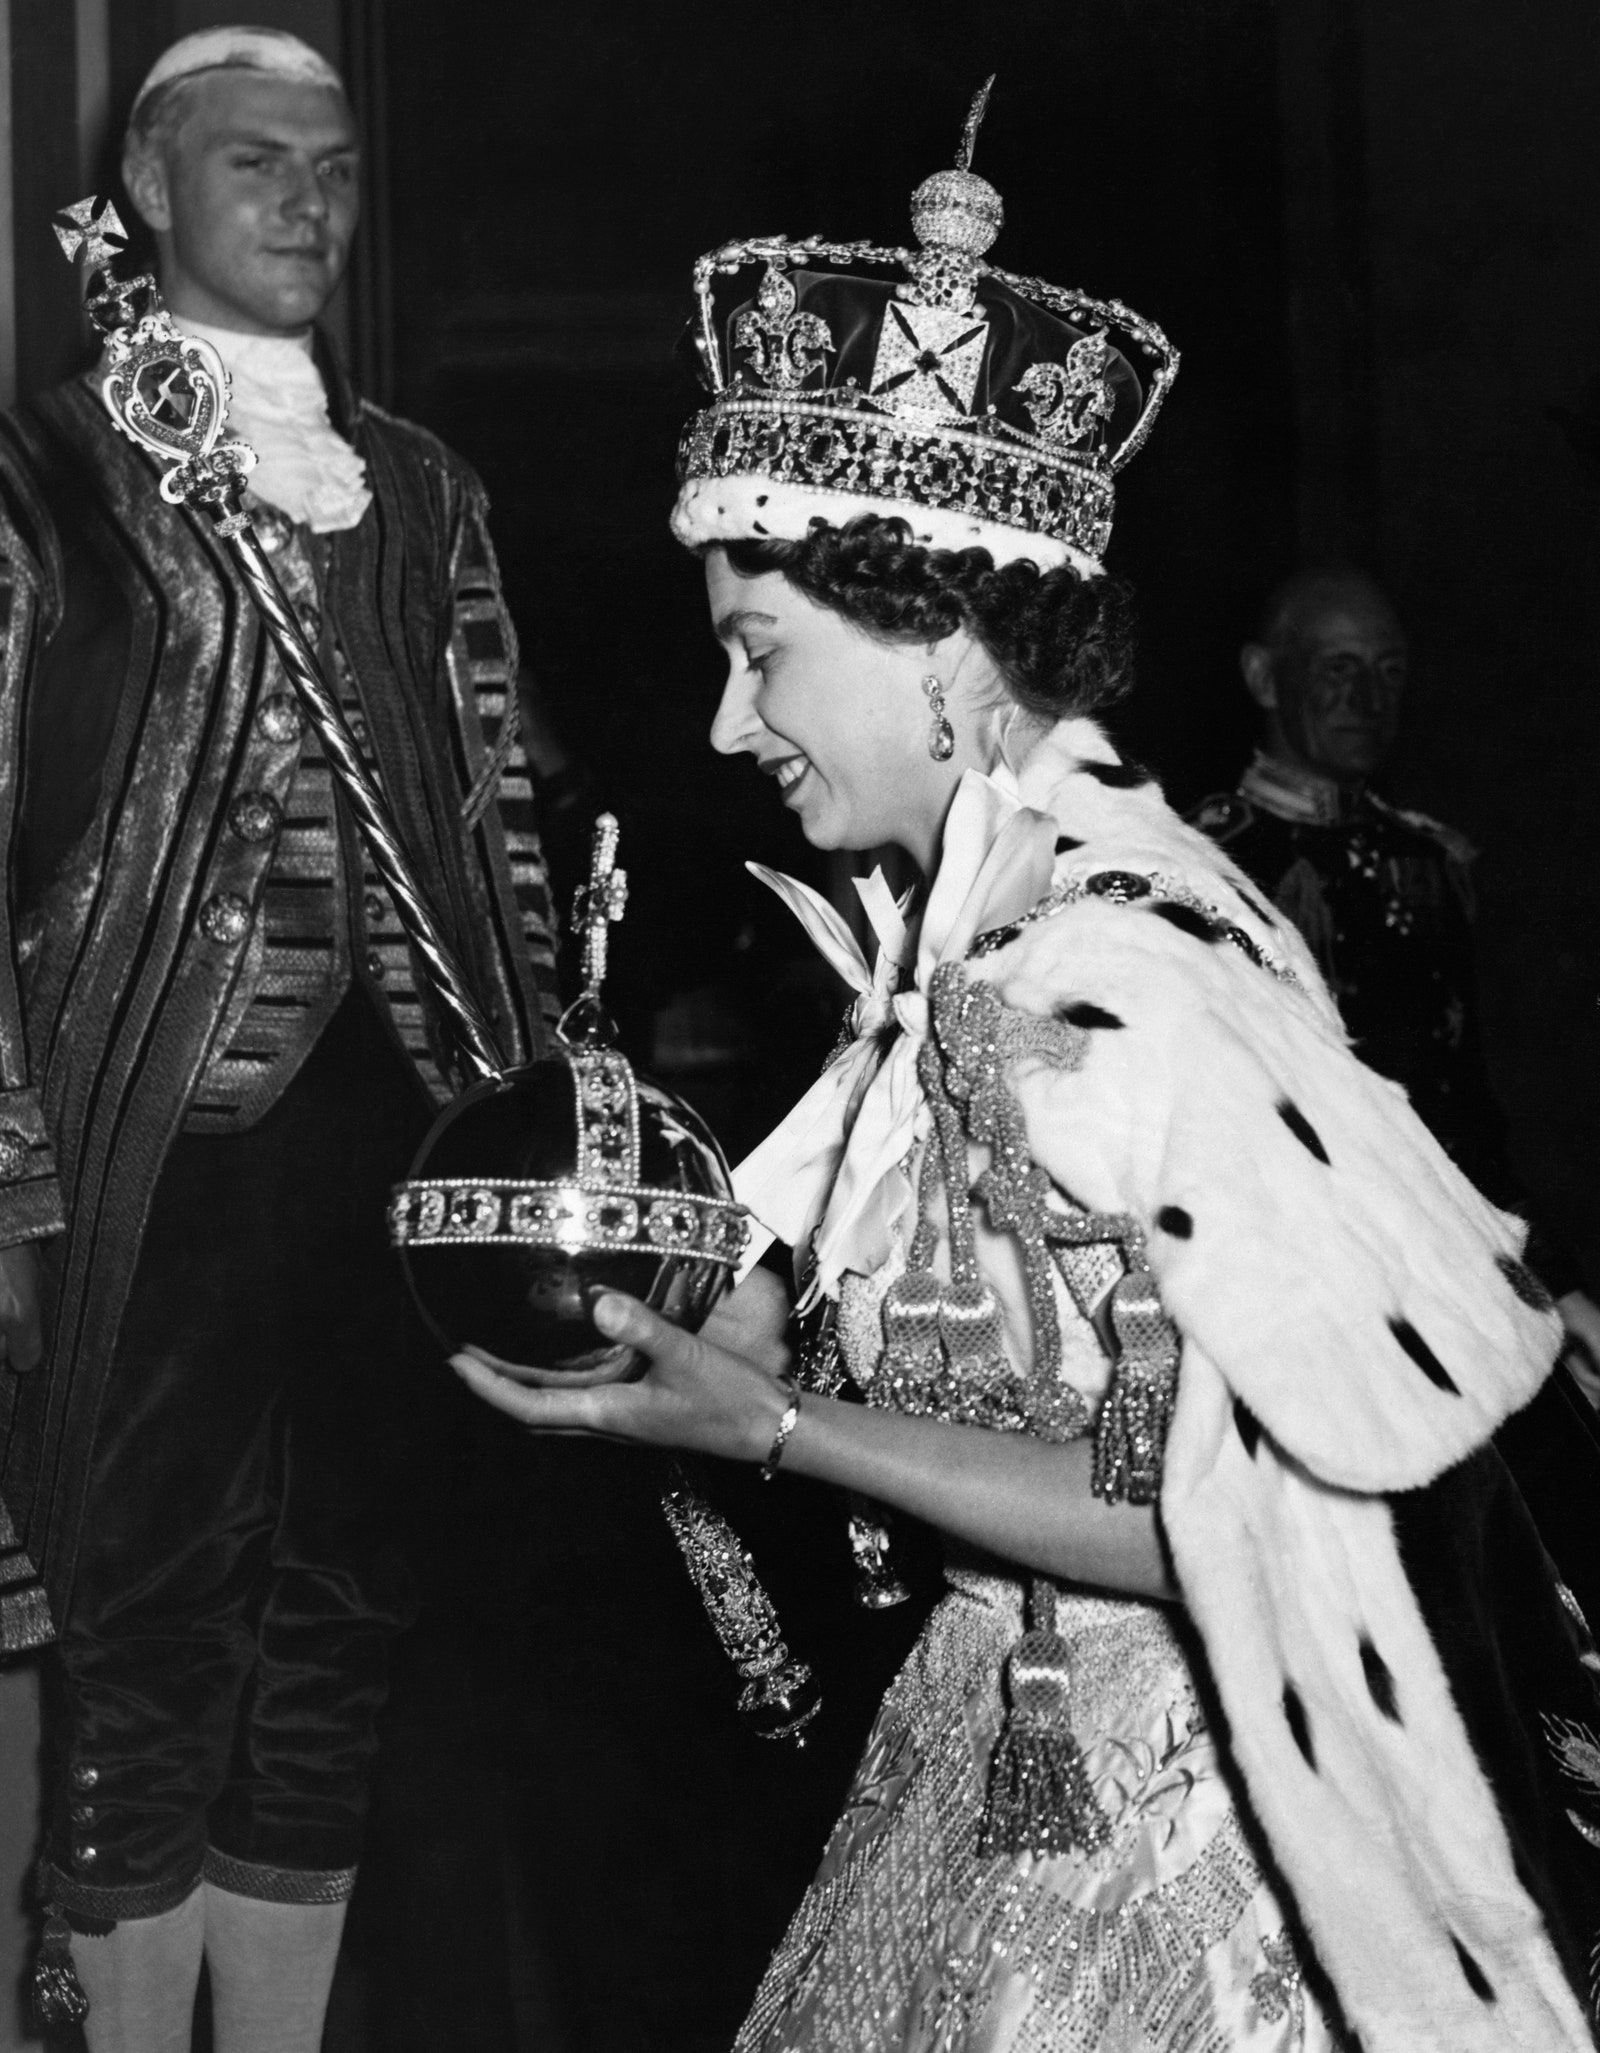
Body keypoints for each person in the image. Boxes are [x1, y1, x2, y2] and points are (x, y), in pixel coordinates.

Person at [455, 126, 1600, 2050]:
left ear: (937, 643)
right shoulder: (966, 937)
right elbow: (936, 1335)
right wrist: (666, 1301)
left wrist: (768, 1423)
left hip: (1188, 1834)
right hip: (983, 1753)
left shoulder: (1112, 966)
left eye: (761, 651)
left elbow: (1203, 1515)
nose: (734, 722)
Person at [0, 27, 557, 2050]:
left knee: (343, 1623)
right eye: (260, 166)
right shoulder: (41, 472)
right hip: (153, 1133)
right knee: (146, 1641)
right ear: (150, 192)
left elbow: (496, 808)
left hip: (405, 1130)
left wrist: (549, 1105)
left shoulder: (420, 488)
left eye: (333, 168)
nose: (313, 203)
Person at [1192, 569, 1600, 1386]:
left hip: (1449, 1275)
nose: (1367, 697)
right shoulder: (1208, 865)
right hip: (1286, 1293)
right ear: (1264, 677)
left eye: (1389, 670)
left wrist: (1558, 1287)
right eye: (1338, 667)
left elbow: (1468, 1115)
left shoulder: (1433, 864)